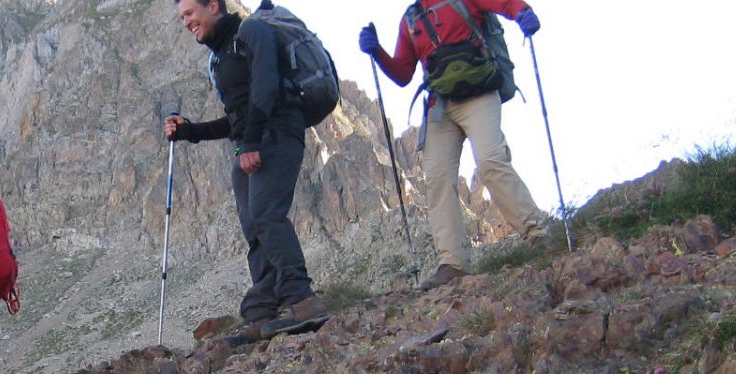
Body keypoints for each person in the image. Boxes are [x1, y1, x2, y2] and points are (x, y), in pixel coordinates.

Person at [164, 0, 329, 345]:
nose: (186, 22)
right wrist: (190, 131)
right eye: (182, 17)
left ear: (213, 5)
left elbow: (267, 85)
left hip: (278, 132)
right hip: (248, 141)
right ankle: (262, 313)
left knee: (268, 214)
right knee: (254, 225)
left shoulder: (252, 31)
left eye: (190, 13)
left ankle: (302, 301)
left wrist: (252, 141)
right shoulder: (222, 54)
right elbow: (236, 117)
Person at [361, 0, 550, 290]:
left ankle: (536, 233)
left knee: (490, 161)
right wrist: (377, 53)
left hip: (480, 94)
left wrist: (523, 12)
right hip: (440, 106)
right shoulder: (410, 19)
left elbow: (505, 3)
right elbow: (402, 74)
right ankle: (452, 263)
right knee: (437, 179)